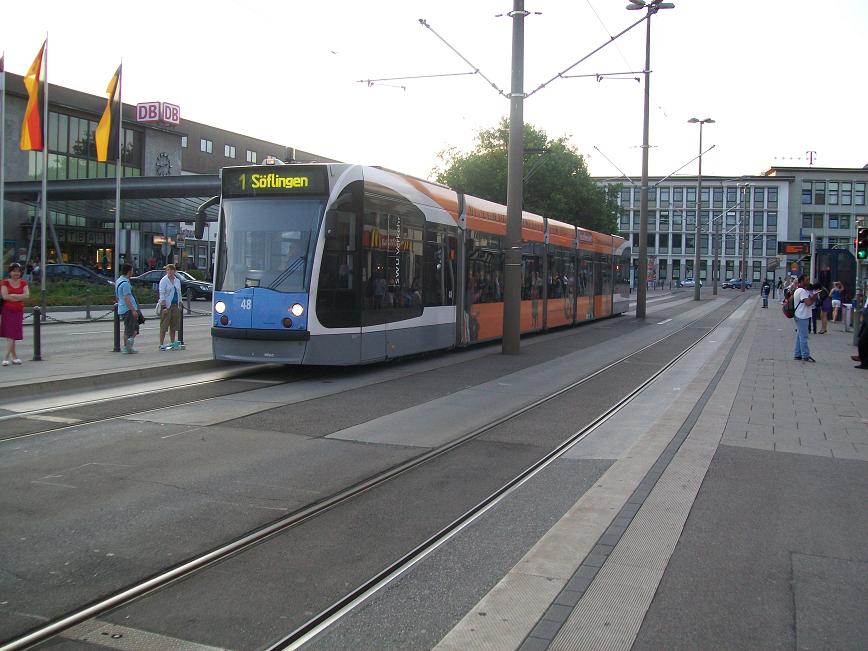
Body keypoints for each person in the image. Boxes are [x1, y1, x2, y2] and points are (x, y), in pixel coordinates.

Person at [1, 263, 29, 366]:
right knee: (10, 334)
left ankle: (12, 357)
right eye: (14, 271)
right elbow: (5, 296)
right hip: (7, 311)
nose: (16, 273)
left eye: (18, 271)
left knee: (12, 334)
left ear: (21, 272)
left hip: (18, 311)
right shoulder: (5, 282)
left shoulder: (23, 283)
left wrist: (13, 295)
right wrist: (18, 297)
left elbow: (26, 295)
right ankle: (8, 357)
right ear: (10, 272)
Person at [115, 263, 141, 354]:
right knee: (129, 329)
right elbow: (126, 298)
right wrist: (133, 310)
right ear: (129, 271)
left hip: (123, 307)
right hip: (128, 309)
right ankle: (127, 347)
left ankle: (128, 346)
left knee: (134, 328)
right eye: (132, 270)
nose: (133, 272)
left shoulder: (119, 280)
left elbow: (118, 296)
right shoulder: (125, 283)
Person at [158, 263, 183, 351]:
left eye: (172, 270)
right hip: (167, 306)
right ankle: (161, 344)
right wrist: (164, 306)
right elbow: (162, 294)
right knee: (164, 325)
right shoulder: (163, 281)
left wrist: (180, 303)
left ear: (174, 271)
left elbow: (179, 293)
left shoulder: (177, 281)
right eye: (168, 270)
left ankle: (172, 342)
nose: (170, 272)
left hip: (175, 305)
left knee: (174, 325)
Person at [792, 274, 817, 362]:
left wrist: (813, 296)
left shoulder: (800, 290)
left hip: (800, 315)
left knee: (800, 336)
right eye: (806, 280)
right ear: (801, 281)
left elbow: (808, 301)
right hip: (802, 315)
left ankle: (797, 354)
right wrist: (814, 297)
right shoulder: (802, 291)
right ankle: (805, 355)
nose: (808, 281)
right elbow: (808, 303)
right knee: (804, 337)